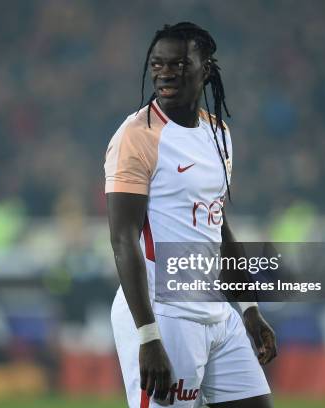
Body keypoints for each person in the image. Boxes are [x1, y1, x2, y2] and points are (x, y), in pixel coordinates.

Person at [105, 22, 277, 408]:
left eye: (180, 64)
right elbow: (122, 238)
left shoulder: (218, 133)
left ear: (207, 70)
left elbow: (218, 225)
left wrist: (248, 308)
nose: (166, 73)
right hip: (166, 316)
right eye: (157, 64)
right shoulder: (137, 135)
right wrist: (148, 336)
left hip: (218, 312)